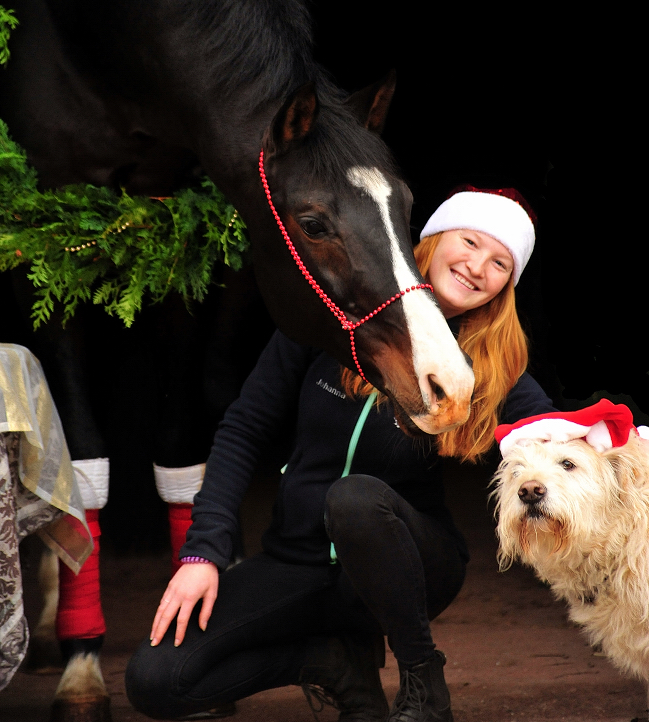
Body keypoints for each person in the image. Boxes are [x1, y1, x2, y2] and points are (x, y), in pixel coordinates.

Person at [125, 185, 559, 722]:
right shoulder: (332, 319)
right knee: (155, 680)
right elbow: (243, 427)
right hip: (298, 560)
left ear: (507, 285)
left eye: (500, 263)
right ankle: (330, 662)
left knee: (353, 499)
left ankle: (425, 684)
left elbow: (551, 434)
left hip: (415, 565)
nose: (477, 267)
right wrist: (203, 552)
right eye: (469, 242)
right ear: (432, 240)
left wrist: (620, 437)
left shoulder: (491, 359)